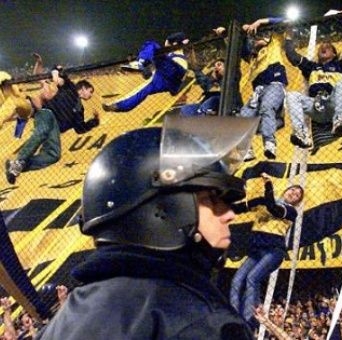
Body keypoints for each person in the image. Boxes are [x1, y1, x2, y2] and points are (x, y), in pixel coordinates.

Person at [36, 115, 258, 339]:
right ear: (163, 209)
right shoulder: (201, 323)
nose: (229, 214)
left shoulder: (63, 322)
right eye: (211, 200)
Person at [230, 172, 304, 328]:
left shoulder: (290, 211)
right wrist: (221, 202)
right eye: (292, 190)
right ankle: (233, 316)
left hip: (273, 251)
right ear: (285, 191)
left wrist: (268, 184)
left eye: (297, 195)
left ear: (297, 202)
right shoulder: (263, 201)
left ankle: (250, 320)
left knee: (252, 278)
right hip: (257, 250)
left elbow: (273, 208)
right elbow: (240, 208)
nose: (293, 193)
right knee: (237, 280)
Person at [5, 67, 98, 184]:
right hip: (47, 113)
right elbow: (60, 79)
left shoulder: (80, 109)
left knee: (54, 155)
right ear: (83, 88)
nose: (91, 95)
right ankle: (19, 162)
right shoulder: (70, 88)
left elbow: (79, 128)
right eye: (90, 91)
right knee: (42, 131)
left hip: (55, 129)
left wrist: (94, 122)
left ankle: (16, 167)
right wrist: (57, 70)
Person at [284, 17, 342, 149]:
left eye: (328, 47)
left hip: (333, 104)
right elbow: (292, 55)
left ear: (334, 54)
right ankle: (302, 134)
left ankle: (339, 122)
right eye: (321, 47)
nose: (324, 46)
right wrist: (289, 37)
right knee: (292, 96)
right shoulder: (311, 67)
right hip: (316, 107)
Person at [239, 17, 288, 160]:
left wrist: (260, 21)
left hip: (274, 85)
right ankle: (246, 149)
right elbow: (243, 49)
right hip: (258, 91)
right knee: (243, 116)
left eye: (262, 36)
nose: (258, 39)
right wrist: (244, 32)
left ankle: (269, 143)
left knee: (267, 106)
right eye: (256, 38)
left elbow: (283, 21)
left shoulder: (274, 44)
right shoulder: (253, 58)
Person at [103, 32, 190, 112]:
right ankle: (119, 106)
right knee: (145, 88)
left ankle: (140, 63)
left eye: (168, 43)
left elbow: (172, 42)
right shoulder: (173, 53)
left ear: (174, 43)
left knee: (151, 44)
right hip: (170, 79)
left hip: (173, 70)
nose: (165, 44)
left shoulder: (174, 51)